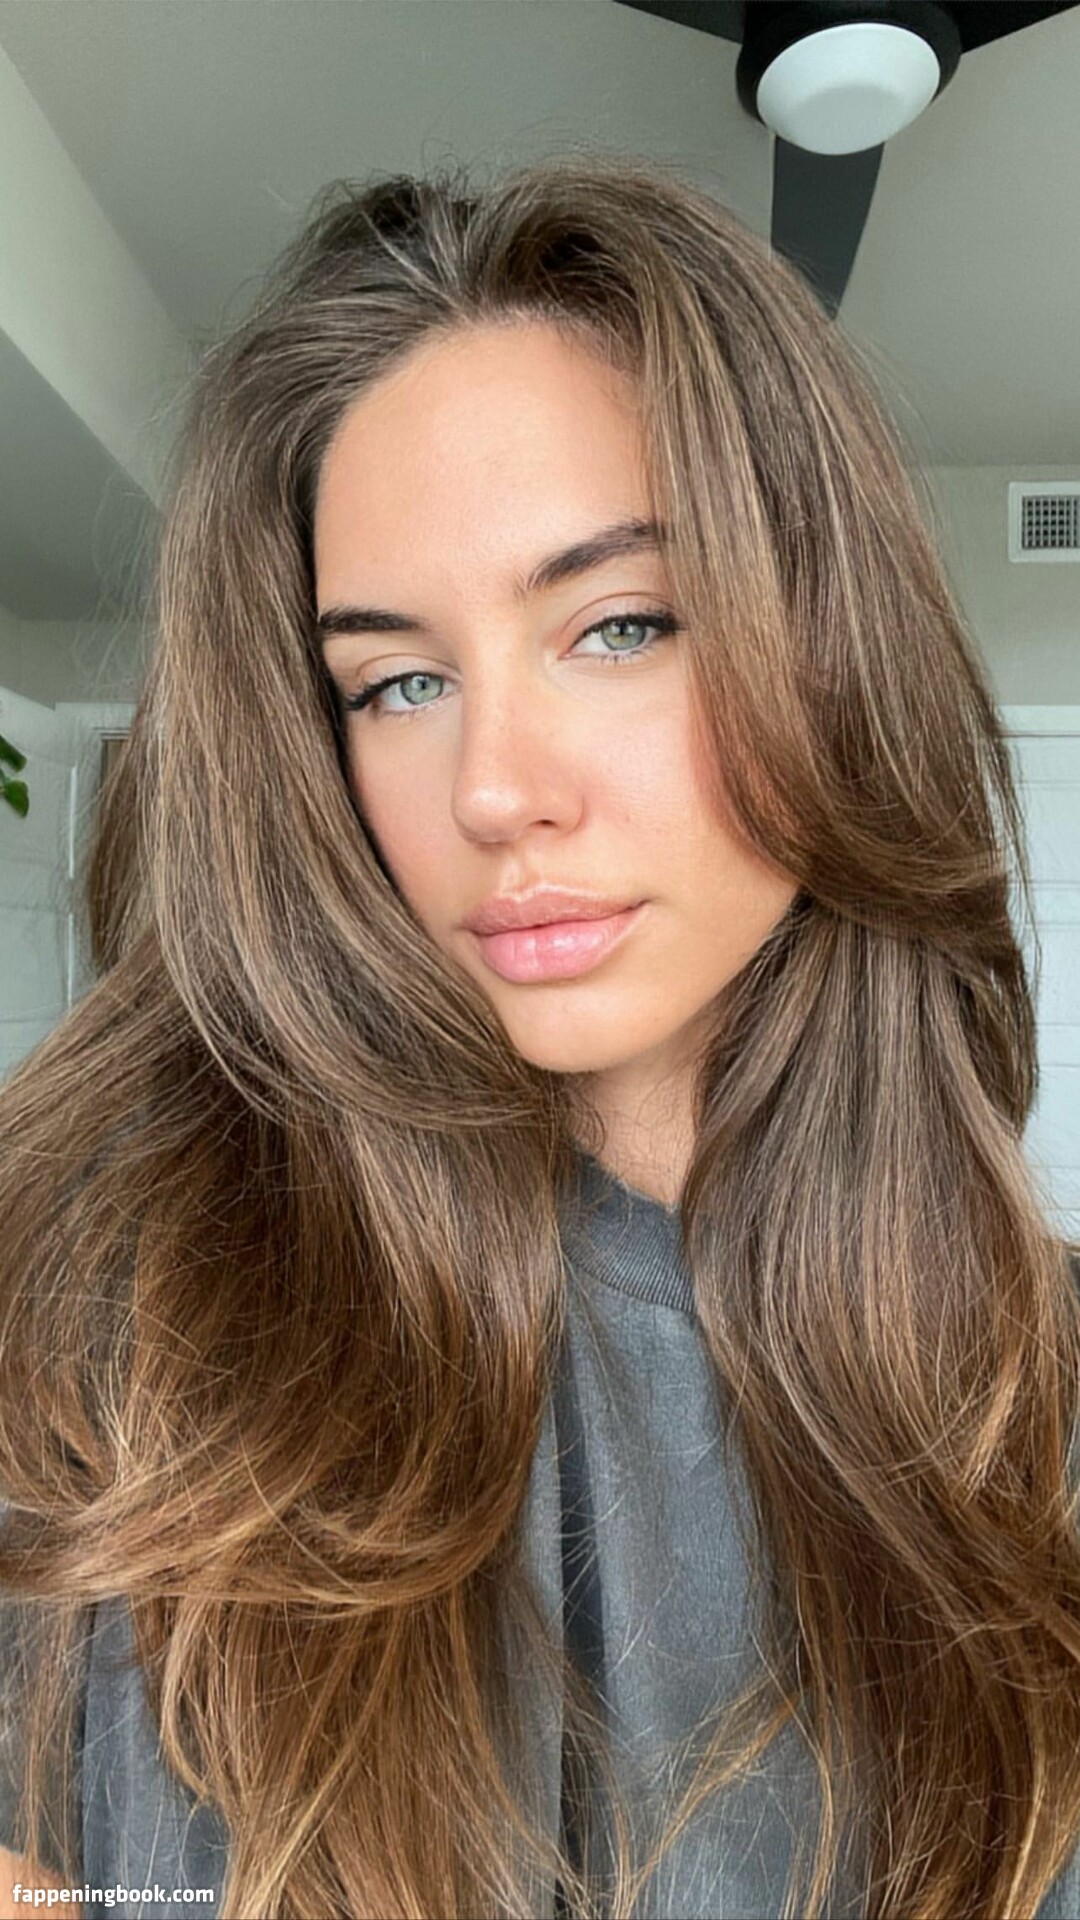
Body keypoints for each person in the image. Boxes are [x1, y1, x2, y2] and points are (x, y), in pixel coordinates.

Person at [2, 149, 1080, 1920]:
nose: (495, 790)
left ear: (829, 651)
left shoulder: (1037, 1401)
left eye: (621, 624)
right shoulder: (112, 1312)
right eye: (399, 682)